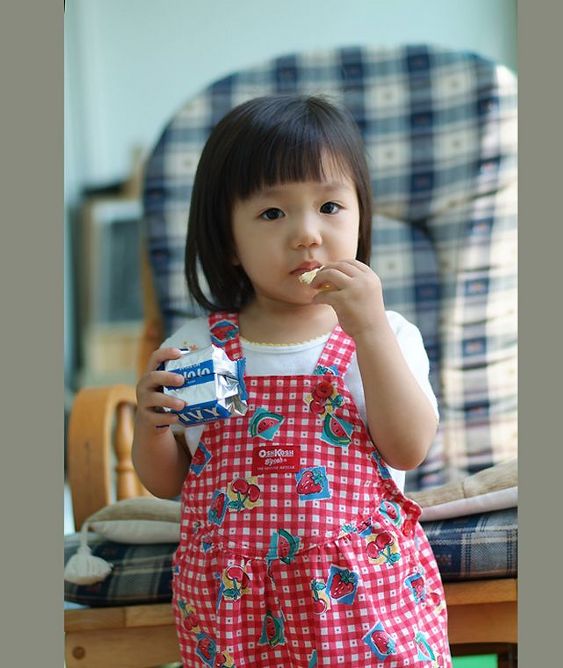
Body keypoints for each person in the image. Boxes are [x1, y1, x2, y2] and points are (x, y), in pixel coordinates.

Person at [132, 95, 451, 667]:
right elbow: (168, 482)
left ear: (360, 217)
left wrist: (370, 330)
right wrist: (153, 426)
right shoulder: (198, 346)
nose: (306, 234)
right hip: (234, 607)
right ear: (229, 241)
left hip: (364, 601)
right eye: (272, 214)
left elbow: (408, 448)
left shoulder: (387, 334)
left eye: (329, 206)